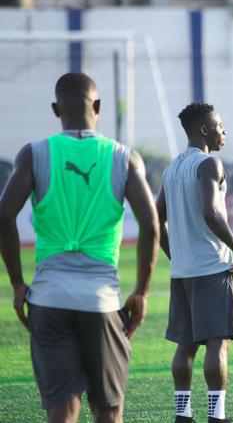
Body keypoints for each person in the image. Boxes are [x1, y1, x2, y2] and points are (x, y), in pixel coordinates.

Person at [0, 72, 159, 423]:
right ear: (98, 106)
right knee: (108, 409)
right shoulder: (123, 157)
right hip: (101, 300)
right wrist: (142, 292)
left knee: (62, 409)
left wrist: (16, 283)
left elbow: (3, 215)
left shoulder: (35, 154)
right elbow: (150, 225)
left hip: (48, 299)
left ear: (56, 109)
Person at [157, 102, 233, 423]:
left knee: (185, 346)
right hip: (211, 267)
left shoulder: (172, 167)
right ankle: (217, 416)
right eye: (220, 125)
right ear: (205, 130)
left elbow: (155, 219)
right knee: (217, 344)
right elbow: (211, 211)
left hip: (182, 271)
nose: (225, 131)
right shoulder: (209, 165)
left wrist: (176, 255)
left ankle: (183, 415)